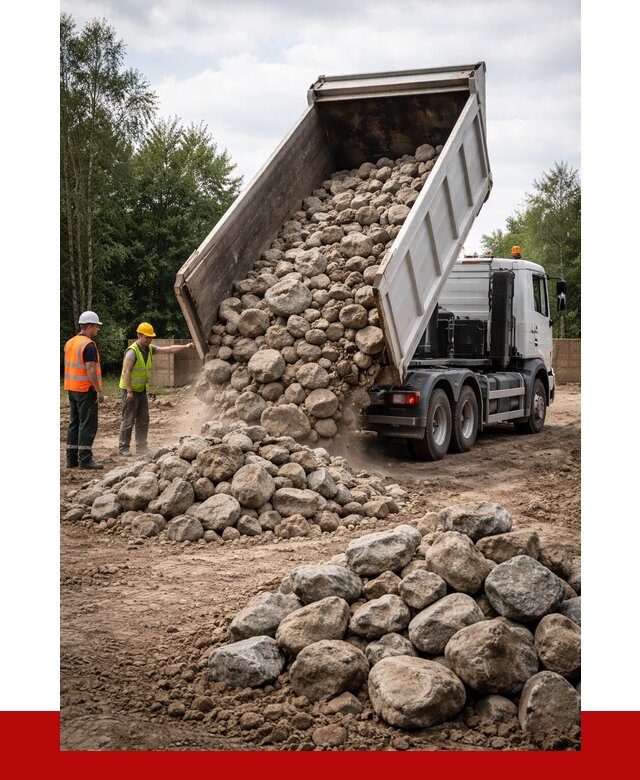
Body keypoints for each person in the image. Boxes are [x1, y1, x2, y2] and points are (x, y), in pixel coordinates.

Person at [118, 322, 195, 456]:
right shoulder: (132, 351)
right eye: (147, 337)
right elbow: (127, 372)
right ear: (139, 335)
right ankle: (123, 448)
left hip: (141, 390)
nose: (149, 339)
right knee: (129, 419)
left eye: (150, 337)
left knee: (143, 419)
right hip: (130, 390)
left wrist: (185, 346)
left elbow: (169, 349)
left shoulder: (149, 349)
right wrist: (129, 391)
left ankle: (141, 446)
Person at [63, 311, 105, 469]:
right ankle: (85, 460)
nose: (98, 330)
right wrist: (99, 391)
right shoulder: (88, 345)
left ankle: (71, 459)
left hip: (71, 388)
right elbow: (91, 370)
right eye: (96, 327)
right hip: (85, 389)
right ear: (90, 326)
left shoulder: (70, 342)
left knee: (74, 422)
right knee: (87, 424)